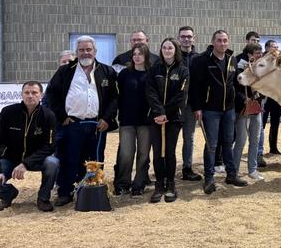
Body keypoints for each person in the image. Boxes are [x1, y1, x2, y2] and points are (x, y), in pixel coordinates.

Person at [44, 35, 118, 207]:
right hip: (73, 124)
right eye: (81, 50)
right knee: (69, 158)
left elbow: (114, 98)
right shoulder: (65, 71)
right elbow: (52, 94)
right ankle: (65, 192)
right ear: (76, 52)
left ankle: (95, 190)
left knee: (95, 159)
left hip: (97, 125)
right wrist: (61, 116)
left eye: (88, 50)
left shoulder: (107, 71)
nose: (85, 53)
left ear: (95, 51)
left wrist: (107, 118)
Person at [0, 81, 59, 212]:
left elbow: (50, 146)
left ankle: (43, 198)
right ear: (22, 94)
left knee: (53, 162)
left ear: (41, 95)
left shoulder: (49, 116)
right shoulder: (8, 112)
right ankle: (8, 195)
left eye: (34, 92)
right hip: (10, 159)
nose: (30, 96)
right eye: (27, 92)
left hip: (37, 160)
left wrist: (25, 164)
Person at [190, 29, 248, 194]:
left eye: (225, 40)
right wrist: (197, 107)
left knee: (228, 142)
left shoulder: (232, 60)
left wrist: (243, 100)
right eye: (219, 40)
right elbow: (195, 87)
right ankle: (209, 178)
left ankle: (231, 175)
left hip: (229, 110)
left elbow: (233, 85)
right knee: (212, 145)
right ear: (213, 42)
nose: (222, 43)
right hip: (210, 110)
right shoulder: (202, 60)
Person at [145, 38, 189, 203]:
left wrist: (166, 114)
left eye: (170, 47)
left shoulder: (183, 70)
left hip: (174, 118)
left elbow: (181, 96)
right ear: (161, 50)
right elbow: (150, 91)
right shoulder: (154, 69)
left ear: (175, 50)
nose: (167, 50)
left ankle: (170, 184)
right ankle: (159, 184)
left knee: (169, 151)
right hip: (155, 117)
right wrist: (159, 112)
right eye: (164, 47)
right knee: (157, 153)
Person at [115, 43, 152, 197]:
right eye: (134, 54)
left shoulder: (152, 73)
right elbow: (118, 95)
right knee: (126, 153)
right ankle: (123, 183)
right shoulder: (124, 74)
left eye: (140, 54)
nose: (137, 57)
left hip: (146, 121)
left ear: (146, 56)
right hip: (127, 121)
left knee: (143, 154)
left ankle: (139, 183)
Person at [233, 43, 265, 180]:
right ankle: (233, 170)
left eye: (260, 52)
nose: (259, 55)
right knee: (241, 140)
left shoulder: (261, 69)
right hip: (243, 108)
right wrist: (243, 99)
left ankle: (252, 169)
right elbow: (234, 87)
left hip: (256, 107)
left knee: (255, 139)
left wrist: (259, 95)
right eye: (256, 53)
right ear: (249, 54)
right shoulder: (239, 66)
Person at [177, 26, 202, 182]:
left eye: (189, 36)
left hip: (191, 106)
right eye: (183, 36)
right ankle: (168, 168)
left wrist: (198, 106)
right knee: (169, 139)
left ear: (194, 38)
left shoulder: (198, 58)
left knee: (189, 138)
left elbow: (200, 84)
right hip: (174, 106)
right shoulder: (172, 55)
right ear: (179, 38)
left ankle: (187, 168)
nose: (186, 39)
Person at [260, 40, 281, 156]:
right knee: (261, 124)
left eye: (277, 47)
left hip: (276, 97)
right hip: (264, 97)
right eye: (274, 47)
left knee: (275, 123)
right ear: (267, 48)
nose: (276, 49)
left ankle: (273, 147)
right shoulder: (261, 60)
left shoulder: (279, 61)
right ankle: (259, 149)